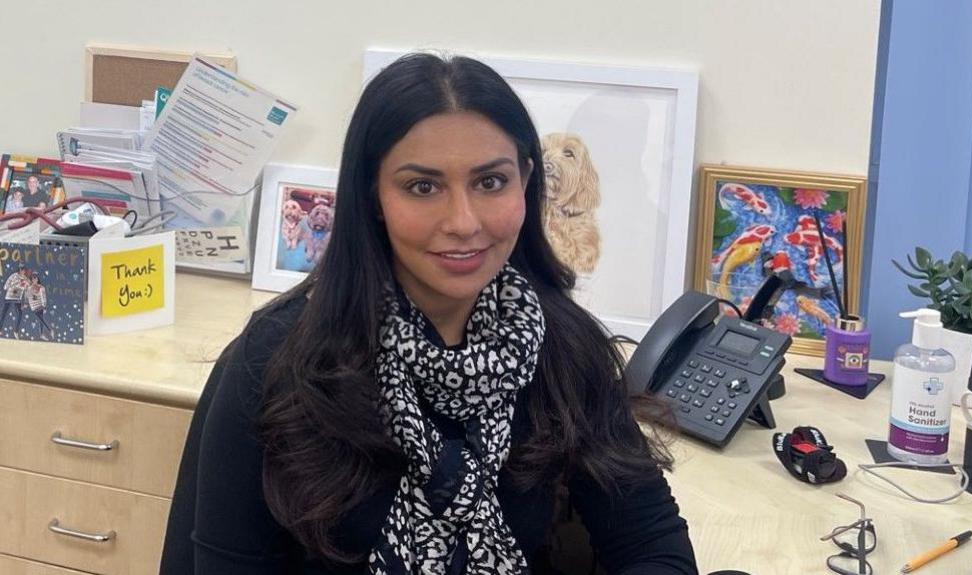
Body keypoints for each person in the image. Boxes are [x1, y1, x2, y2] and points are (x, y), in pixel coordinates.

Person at [185, 53, 698, 574]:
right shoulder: (278, 360)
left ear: (525, 180)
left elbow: (652, 545)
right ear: (374, 195)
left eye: (490, 182)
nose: (463, 221)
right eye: (422, 187)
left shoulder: (563, 347)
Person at [0, 267, 30, 338]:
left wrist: (25, 302)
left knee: (20, 314)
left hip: (17, 299)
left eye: (24, 270)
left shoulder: (25, 279)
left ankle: (16, 331)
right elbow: (6, 285)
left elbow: (26, 290)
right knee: (3, 313)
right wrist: (10, 286)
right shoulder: (14, 275)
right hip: (9, 297)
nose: (23, 272)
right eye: (22, 270)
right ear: (20, 270)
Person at [24, 272, 54, 341]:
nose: (34, 280)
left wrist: (44, 305)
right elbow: (26, 296)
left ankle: (41, 334)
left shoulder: (41, 287)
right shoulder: (29, 288)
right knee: (41, 319)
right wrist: (26, 303)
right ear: (31, 280)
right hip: (34, 306)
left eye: (35, 278)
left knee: (41, 320)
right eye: (33, 278)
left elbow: (43, 296)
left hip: (40, 305)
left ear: (37, 279)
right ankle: (50, 330)